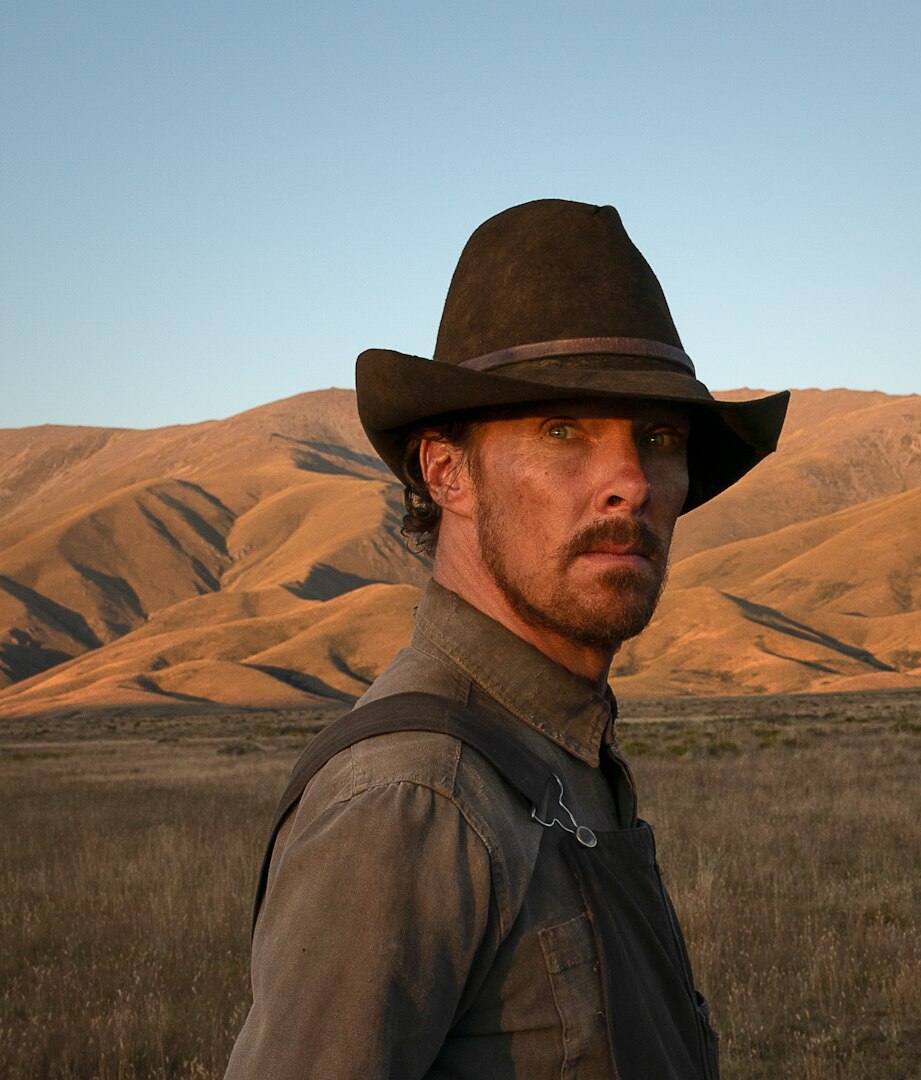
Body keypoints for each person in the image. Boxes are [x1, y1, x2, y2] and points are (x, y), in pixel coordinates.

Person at [224, 199, 789, 1079]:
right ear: (447, 472)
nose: (632, 482)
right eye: (563, 431)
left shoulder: (557, 751)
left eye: (659, 437)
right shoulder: (413, 798)